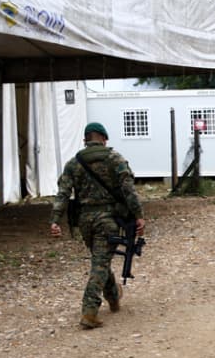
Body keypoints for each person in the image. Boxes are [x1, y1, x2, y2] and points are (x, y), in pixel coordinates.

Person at [49, 122, 145, 329]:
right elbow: (128, 190)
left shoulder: (74, 163)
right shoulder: (115, 159)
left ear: (86, 139)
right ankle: (89, 311)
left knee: (101, 259)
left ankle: (113, 297)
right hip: (108, 220)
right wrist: (139, 215)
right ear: (104, 138)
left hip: (85, 222)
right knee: (100, 263)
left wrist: (56, 220)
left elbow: (63, 193)